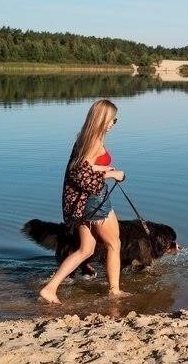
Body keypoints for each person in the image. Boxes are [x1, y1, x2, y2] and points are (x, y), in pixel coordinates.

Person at [39, 99, 126, 304]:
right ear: (104, 119)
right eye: (113, 119)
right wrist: (112, 175)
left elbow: (83, 167)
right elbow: (80, 174)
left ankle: (50, 288)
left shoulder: (85, 138)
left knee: (86, 249)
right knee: (115, 243)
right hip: (95, 201)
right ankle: (114, 291)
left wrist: (106, 169)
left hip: (82, 203)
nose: (114, 123)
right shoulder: (94, 141)